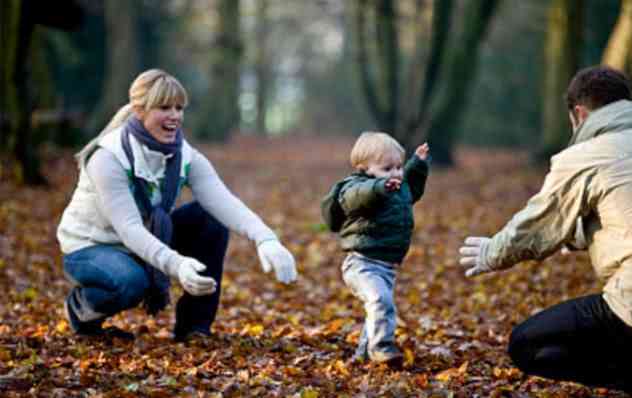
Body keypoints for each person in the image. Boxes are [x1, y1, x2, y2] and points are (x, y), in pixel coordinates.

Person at [57, 69, 298, 342]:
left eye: (179, 107)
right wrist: (177, 264)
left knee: (209, 220)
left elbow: (222, 201)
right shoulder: (108, 158)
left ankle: (194, 328)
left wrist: (266, 239)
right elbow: (129, 229)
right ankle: (81, 310)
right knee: (131, 281)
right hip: (92, 246)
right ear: (139, 110)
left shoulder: (182, 154)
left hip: (145, 239)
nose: (175, 115)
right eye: (164, 107)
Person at [458, 66, 632, 393]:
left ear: (579, 114)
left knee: (527, 344)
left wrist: (491, 253)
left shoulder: (587, 155)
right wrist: (580, 235)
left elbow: (537, 224)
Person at [321, 132, 430, 365]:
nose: (396, 173)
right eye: (387, 168)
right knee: (380, 301)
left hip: (387, 266)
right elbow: (357, 197)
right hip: (361, 263)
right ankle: (382, 347)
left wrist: (417, 165)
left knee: (377, 308)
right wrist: (379, 187)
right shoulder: (355, 187)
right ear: (364, 168)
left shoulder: (396, 187)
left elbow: (411, 190)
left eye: (398, 166)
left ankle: (362, 355)